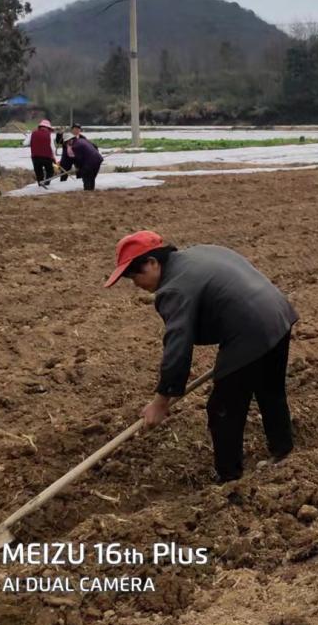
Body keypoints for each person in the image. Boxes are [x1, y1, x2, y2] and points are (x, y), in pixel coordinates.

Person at [105, 231, 299, 483]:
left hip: (249, 329)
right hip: (277, 314)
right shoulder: (199, 252)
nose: (135, 285)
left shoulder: (173, 288)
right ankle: (282, 450)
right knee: (269, 388)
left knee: (223, 407)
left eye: (134, 276)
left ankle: (230, 479)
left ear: (152, 263)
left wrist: (161, 401)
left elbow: (178, 345)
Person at [70, 126, 103, 191]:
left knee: (86, 178)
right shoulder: (83, 139)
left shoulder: (75, 145)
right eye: (75, 129)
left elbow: (79, 159)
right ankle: (91, 192)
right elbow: (94, 147)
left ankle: (87, 192)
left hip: (90, 161)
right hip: (98, 159)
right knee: (91, 178)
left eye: (78, 129)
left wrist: (78, 166)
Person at [29, 119, 57, 185]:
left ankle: (40, 185)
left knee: (39, 172)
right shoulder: (49, 135)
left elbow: (25, 143)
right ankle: (46, 183)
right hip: (46, 157)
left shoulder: (33, 133)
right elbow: (52, 147)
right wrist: (54, 157)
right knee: (50, 171)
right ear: (47, 127)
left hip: (35, 157)